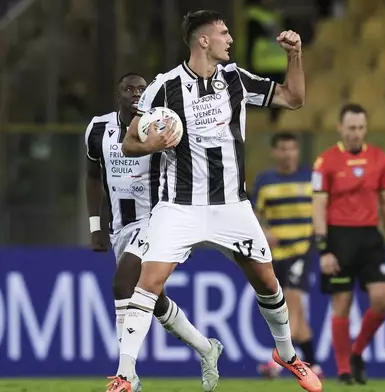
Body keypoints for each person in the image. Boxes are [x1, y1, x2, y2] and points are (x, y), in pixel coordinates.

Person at [107, 10, 321, 392]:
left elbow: (293, 98)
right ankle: (124, 375)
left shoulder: (236, 79)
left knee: (268, 282)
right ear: (202, 40)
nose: (230, 39)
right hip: (179, 206)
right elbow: (128, 141)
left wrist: (295, 56)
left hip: (232, 206)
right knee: (148, 282)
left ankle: (288, 356)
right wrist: (151, 143)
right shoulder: (164, 86)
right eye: (223, 33)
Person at [85, 73, 217, 392]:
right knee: (153, 301)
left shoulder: (162, 124)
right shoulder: (98, 129)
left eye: (141, 89)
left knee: (122, 283)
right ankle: (207, 349)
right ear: (117, 95)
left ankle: (126, 376)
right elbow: (92, 176)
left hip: (158, 219)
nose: (135, 94)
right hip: (121, 227)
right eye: (128, 89)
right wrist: (95, 226)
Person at [311, 103, 385, 385]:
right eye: (351, 128)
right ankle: (343, 370)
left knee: (382, 298)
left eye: (361, 128)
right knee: (342, 302)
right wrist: (324, 249)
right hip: (339, 237)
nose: (356, 133)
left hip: (369, 236)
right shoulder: (325, 162)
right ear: (340, 128)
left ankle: (357, 351)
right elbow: (318, 205)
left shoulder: (380, 159)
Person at [251, 132, 322, 378]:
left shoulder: (310, 179)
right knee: (297, 317)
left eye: (292, 149)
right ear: (274, 152)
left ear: (297, 151)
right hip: (275, 255)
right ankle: (314, 364)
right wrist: (264, 232)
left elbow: (322, 213)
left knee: (290, 303)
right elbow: (252, 217)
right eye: (282, 149)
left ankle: (278, 360)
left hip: (302, 250)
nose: (287, 154)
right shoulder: (265, 181)